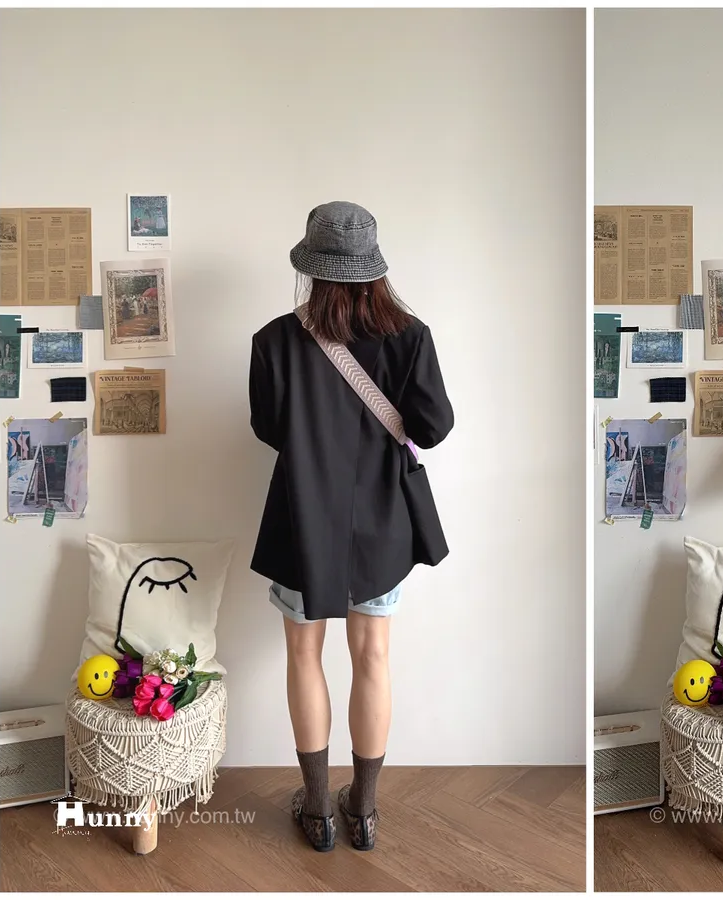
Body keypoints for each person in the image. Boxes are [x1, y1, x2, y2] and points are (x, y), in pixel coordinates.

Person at [248, 201, 454, 852]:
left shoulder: (273, 341)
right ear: (374, 268)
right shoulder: (411, 336)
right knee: (374, 656)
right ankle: (362, 810)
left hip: (302, 518)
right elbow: (433, 428)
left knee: (302, 655)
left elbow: (269, 430)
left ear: (312, 267)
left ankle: (317, 811)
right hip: (382, 522)